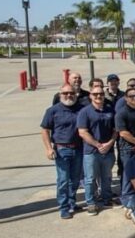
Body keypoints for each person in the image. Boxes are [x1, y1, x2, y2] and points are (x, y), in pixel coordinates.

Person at [40, 84, 83, 219]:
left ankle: (72, 202)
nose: (69, 95)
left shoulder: (81, 109)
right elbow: (44, 130)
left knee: (75, 179)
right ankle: (64, 207)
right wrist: (48, 148)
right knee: (63, 180)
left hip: (78, 148)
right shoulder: (52, 111)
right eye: (65, 93)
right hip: (61, 149)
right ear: (60, 95)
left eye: (71, 93)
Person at [77, 86, 118, 216]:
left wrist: (110, 143)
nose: (98, 96)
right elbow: (82, 132)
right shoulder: (85, 112)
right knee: (90, 179)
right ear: (90, 96)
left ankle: (107, 199)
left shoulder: (110, 110)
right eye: (95, 94)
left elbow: (115, 130)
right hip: (91, 151)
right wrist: (97, 144)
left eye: (100, 94)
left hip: (108, 150)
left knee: (106, 177)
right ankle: (91, 203)